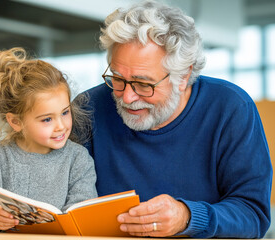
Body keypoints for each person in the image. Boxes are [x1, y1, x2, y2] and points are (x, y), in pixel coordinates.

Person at [78, 0, 272, 238]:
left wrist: (188, 217)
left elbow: (253, 215)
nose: (127, 97)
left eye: (143, 84)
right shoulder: (86, 108)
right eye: (117, 79)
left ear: (183, 76)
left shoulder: (231, 108)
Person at [0, 47, 97, 232]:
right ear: (16, 122)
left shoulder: (78, 158)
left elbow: (83, 209)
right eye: (47, 119)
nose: (61, 126)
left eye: (65, 112)